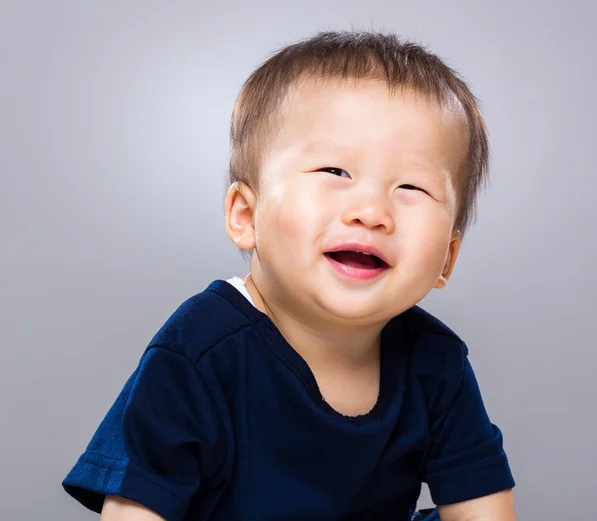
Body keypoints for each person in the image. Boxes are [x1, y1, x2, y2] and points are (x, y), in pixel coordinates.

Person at [62, 31, 516, 520]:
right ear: (244, 215)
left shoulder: (435, 363)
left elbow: (481, 503)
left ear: (447, 257)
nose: (370, 211)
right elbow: (136, 507)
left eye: (411, 186)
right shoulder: (201, 350)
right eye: (334, 171)